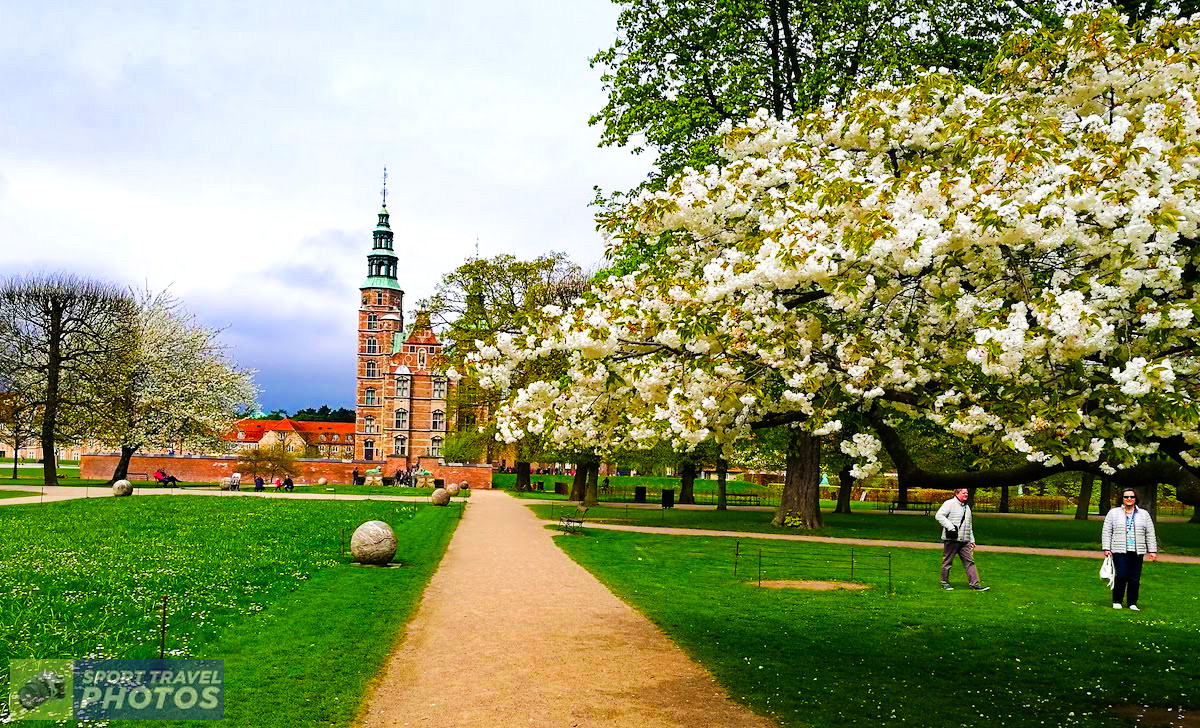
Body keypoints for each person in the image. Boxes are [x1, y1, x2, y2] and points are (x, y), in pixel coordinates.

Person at [1102, 488, 1159, 610]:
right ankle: (1117, 601)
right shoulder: (1113, 513)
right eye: (1126, 497)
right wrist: (1106, 548)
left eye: (1131, 497)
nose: (1129, 499)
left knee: (1134, 578)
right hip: (1119, 550)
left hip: (1137, 551)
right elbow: (1107, 531)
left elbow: (1150, 533)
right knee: (1121, 575)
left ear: (1135, 499)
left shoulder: (1144, 514)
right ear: (1122, 499)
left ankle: (1132, 603)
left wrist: (1152, 551)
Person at [934, 487, 989, 591]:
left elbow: (969, 525)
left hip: (965, 541)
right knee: (947, 562)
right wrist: (950, 527)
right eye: (964, 493)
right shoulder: (949, 503)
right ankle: (944, 582)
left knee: (969, 562)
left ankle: (975, 584)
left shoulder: (967, 508)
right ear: (957, 493)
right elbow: (939, 515)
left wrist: (971, 539)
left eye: (967, 493)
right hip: (952, 539)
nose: (966, 495)